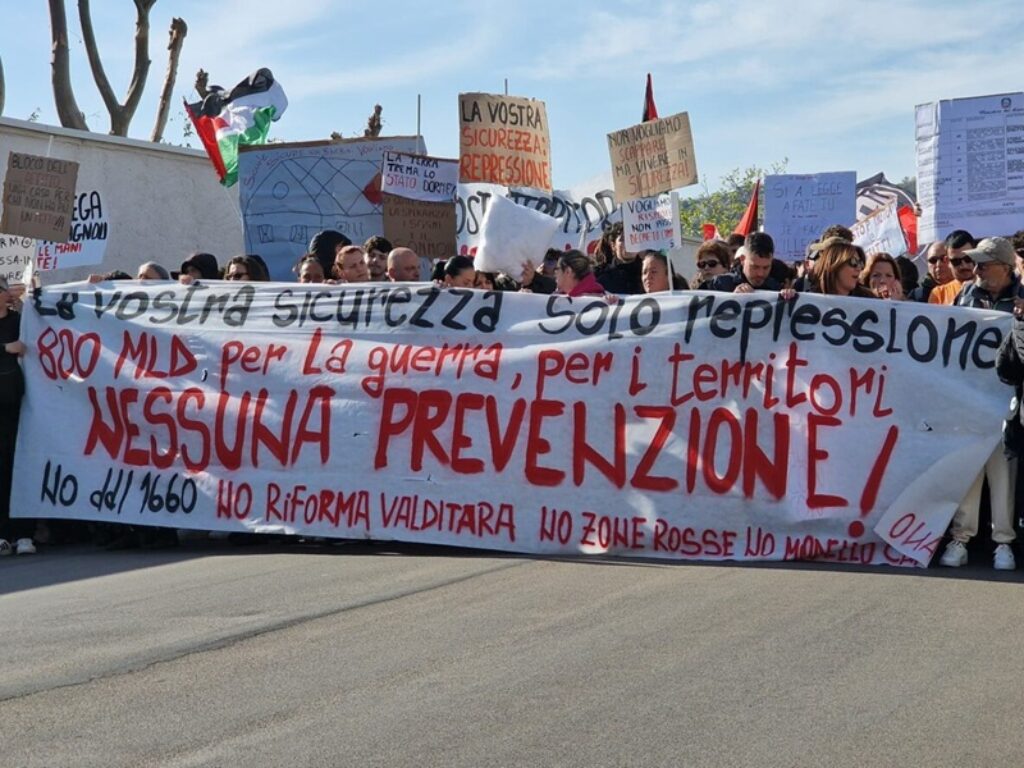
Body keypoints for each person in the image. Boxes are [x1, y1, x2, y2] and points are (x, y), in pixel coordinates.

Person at [940, 237, 1023, 570]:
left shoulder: (1020, 297)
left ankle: (1003, 542)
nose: (976, 270)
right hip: (969, 401)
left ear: (1004, 267)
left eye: (983, 265)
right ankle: (961, 538)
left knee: (1004, 475)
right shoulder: (966, 295)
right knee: (968, 471)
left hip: (1007, 401)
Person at [0, 276, 32, 556]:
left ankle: (23, 533)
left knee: (18, 465)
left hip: (18, 404)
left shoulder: (19, 320)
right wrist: (5, 349)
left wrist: (27, 300)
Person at [708, 233, 781, 293]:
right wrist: (731, 299)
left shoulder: (776, 288)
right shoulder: (721, 284)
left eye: (766, 267)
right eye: (755, 267)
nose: (760, 273)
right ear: (742, 259)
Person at [810, 238, 874, 297]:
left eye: (860, 263)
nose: (859, 268)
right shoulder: (809, 299)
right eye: (853, 262)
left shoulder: (869, 299)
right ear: (835, 264)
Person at [929, 229, 976, 305]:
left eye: (968, 258)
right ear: (947, 261)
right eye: (956, 261)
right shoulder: (939, 294)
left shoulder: (990, 287)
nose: (964, 265)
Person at [596, 225, 643, 294]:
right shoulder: (600, 275)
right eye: (623, 239)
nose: (629, 243)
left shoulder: (649, 271)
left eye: (633, 237)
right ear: (613, 245)